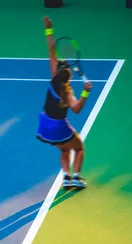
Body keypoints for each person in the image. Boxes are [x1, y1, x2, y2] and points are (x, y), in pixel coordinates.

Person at [37, 16, 93, 189]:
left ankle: (66, 178)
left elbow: (51, 50)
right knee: (79, 148)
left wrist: (49, 29)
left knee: (64, 149)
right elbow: (76, 109)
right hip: (59, 126)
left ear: (57, 71)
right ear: (69, 74)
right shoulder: (68, 91)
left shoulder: (54, 79)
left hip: (45, 124)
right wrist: (85, 92)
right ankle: (76, 176)